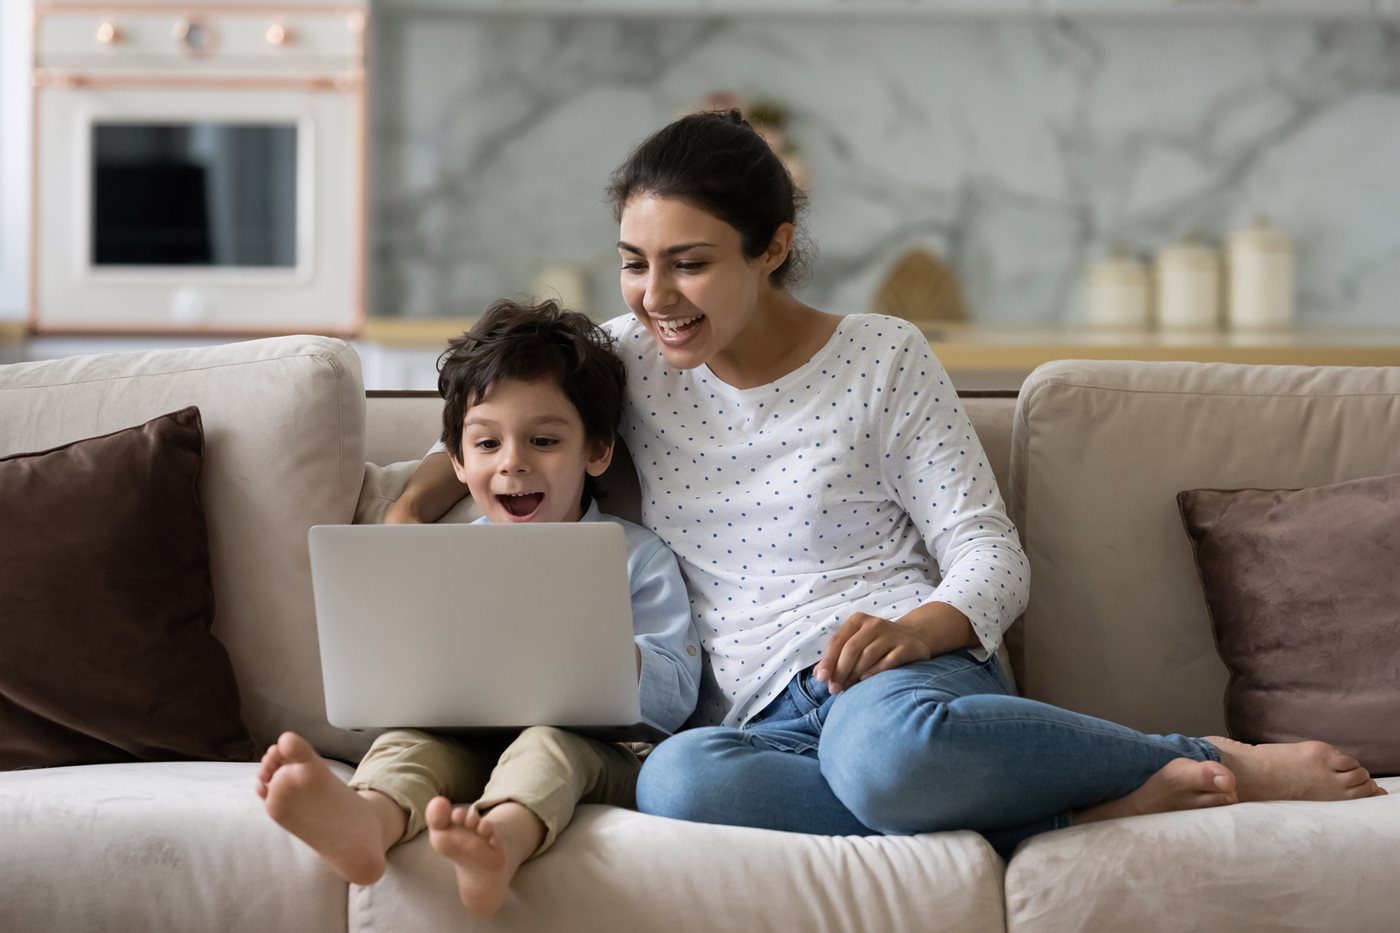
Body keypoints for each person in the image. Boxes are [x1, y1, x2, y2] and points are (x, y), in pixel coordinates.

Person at [390, 111, 1385, 859]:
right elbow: (482, 427)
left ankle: (1203, 756)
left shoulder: (880, 357)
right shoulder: (626, 356)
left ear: (771, 245)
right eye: (635, 265)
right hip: (749, 721)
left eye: (687, 265)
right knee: (679, 785)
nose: (655, 298)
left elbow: (987, 553)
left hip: (902, 684)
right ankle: (1074, 811)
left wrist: (918, 631)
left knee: (883, 760)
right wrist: (406, 515)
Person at [257, 299, 700, 913]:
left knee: (547, 745)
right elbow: (389, 670)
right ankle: (366, 823)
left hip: (593, 749)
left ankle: (499, 842)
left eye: (543, 440)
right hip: (463, 735)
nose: (513, 461)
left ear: (596, 452)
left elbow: (675, 698)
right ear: (460, 463)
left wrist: (597, 649)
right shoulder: (446, 557)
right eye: (488, 443)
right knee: (409, 743)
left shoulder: (634, 555)